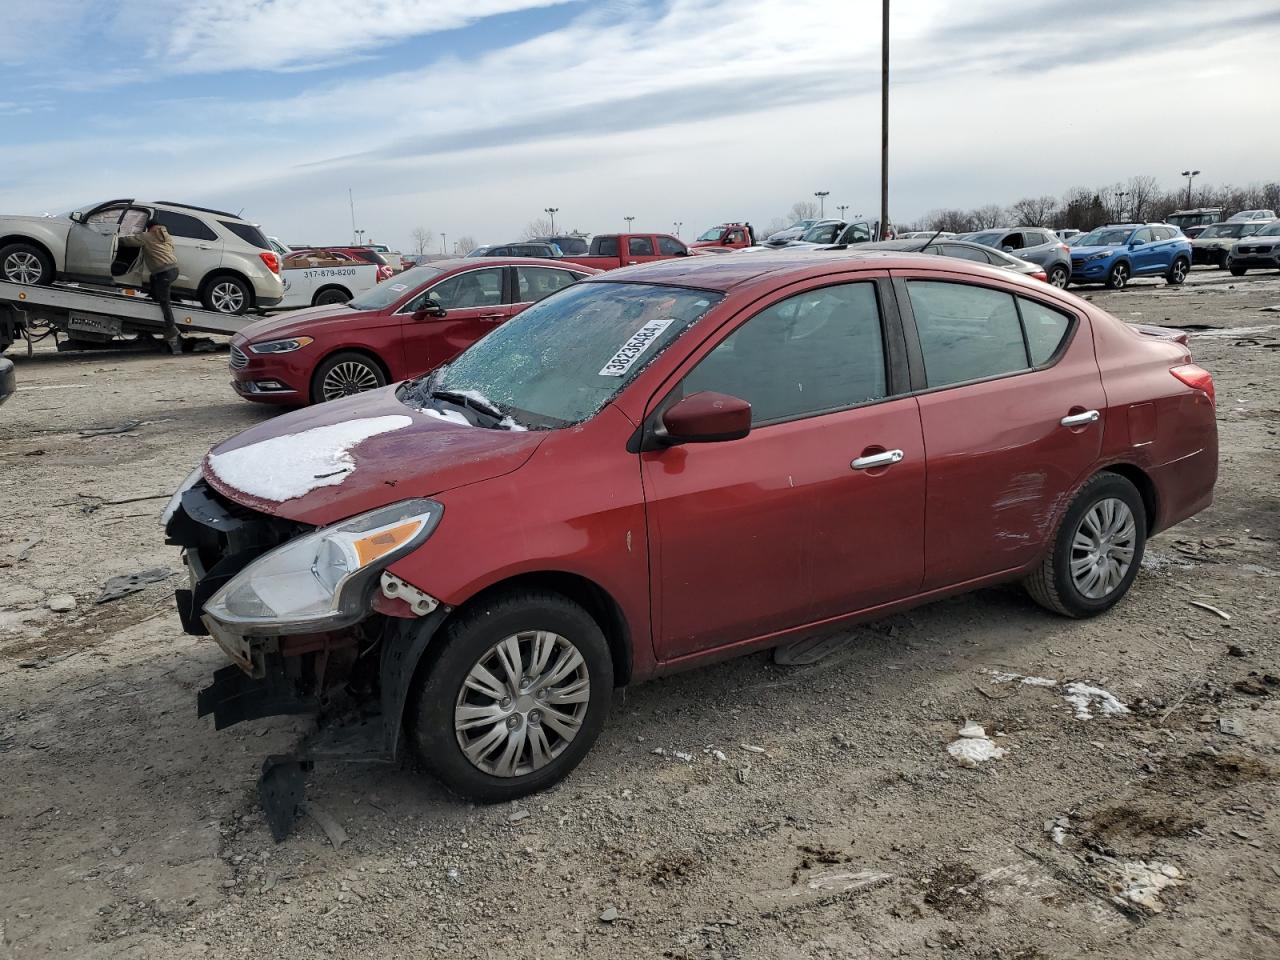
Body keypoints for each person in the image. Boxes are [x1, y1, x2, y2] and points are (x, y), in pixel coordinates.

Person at [118, 219, 182, 354]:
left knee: (164, 302)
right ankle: (155, 297)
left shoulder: (147, 236)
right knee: (154, 283)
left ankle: (172, 330)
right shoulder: (166, 235)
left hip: (163, 271)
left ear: (149, 228)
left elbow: (130, 241)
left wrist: (116, 239)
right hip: (172, 270)